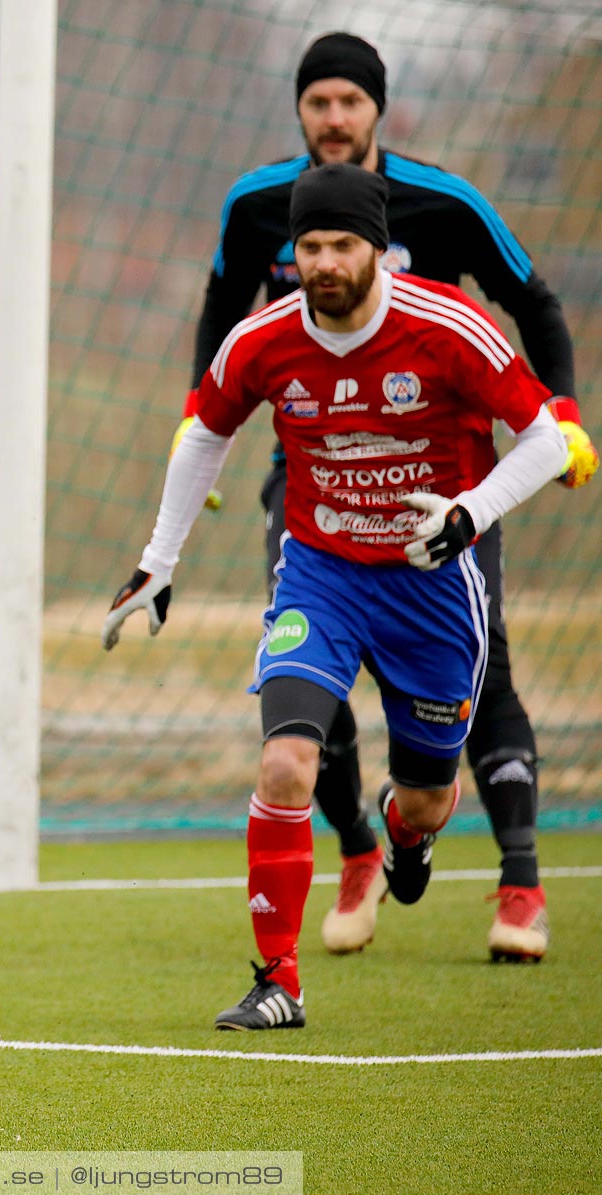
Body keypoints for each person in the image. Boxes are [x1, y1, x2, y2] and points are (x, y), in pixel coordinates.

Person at [105, 163, 568, 1029]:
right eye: (309, 246)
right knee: (285, 760)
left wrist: (471, 512)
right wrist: (156, 562)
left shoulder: (450, 326)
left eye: (342, 246)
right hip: (319, 575)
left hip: (432, 589)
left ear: (378, 251)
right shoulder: (262, 340)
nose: (323, 262)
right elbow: (205, 434)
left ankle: (409, 832)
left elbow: (545, 438)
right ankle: (278, 981)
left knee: (424, 795)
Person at [171, 32, 595, 962]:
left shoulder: (447, 205)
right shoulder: (257, 205)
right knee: (301, 700)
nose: (332, 119)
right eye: (317, 102)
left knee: (486, 679)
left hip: (446, 491)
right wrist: (192, 431)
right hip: (313, 481)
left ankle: (512, 877)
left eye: (348, 103)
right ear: (299, 111)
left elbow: (539, 304)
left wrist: (557, 417)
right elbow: (219, 322)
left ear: (376, 110)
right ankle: (355, 854)